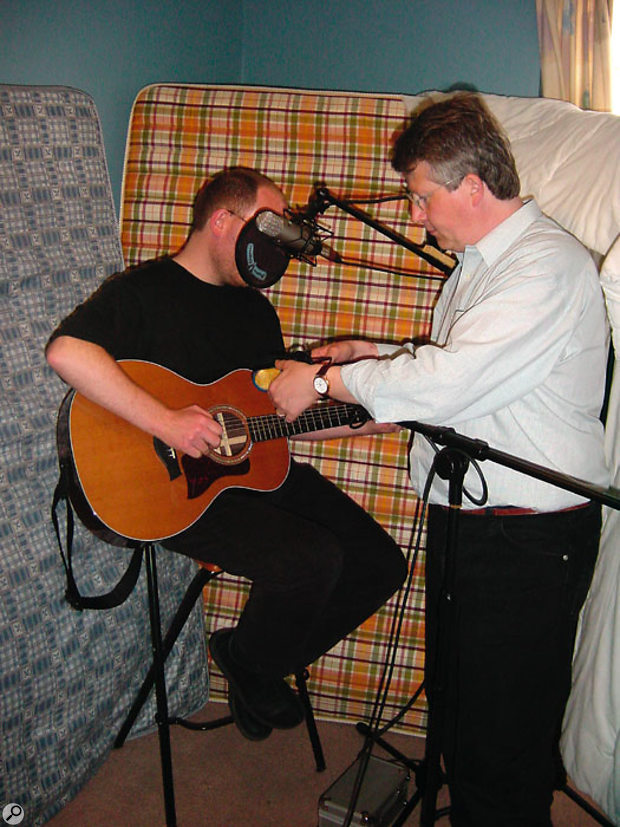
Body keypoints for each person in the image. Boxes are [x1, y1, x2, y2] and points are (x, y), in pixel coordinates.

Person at [269, 93, 610, 825]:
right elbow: (468, 377)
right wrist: (377, 356)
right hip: (474, 526)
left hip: (527, 539)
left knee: (503, 739)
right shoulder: (478, 267)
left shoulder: (545, 266)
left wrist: (328, 380)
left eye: (422, 198)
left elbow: (451, 380)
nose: (416, 216)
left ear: (472, 187)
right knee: (460, 718)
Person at [46, 166, 407, 742]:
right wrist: (166, 421)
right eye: (270, 227)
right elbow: (67, 352)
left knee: (381, 563)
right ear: (223, 221)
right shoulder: (143, 292)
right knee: (312, 558)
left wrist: (363, 422)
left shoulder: (256, 311)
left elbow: (273, 420)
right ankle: (257, 664)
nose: (277, 247)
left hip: (246, 476)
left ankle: (250, 658)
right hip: (168, 491)